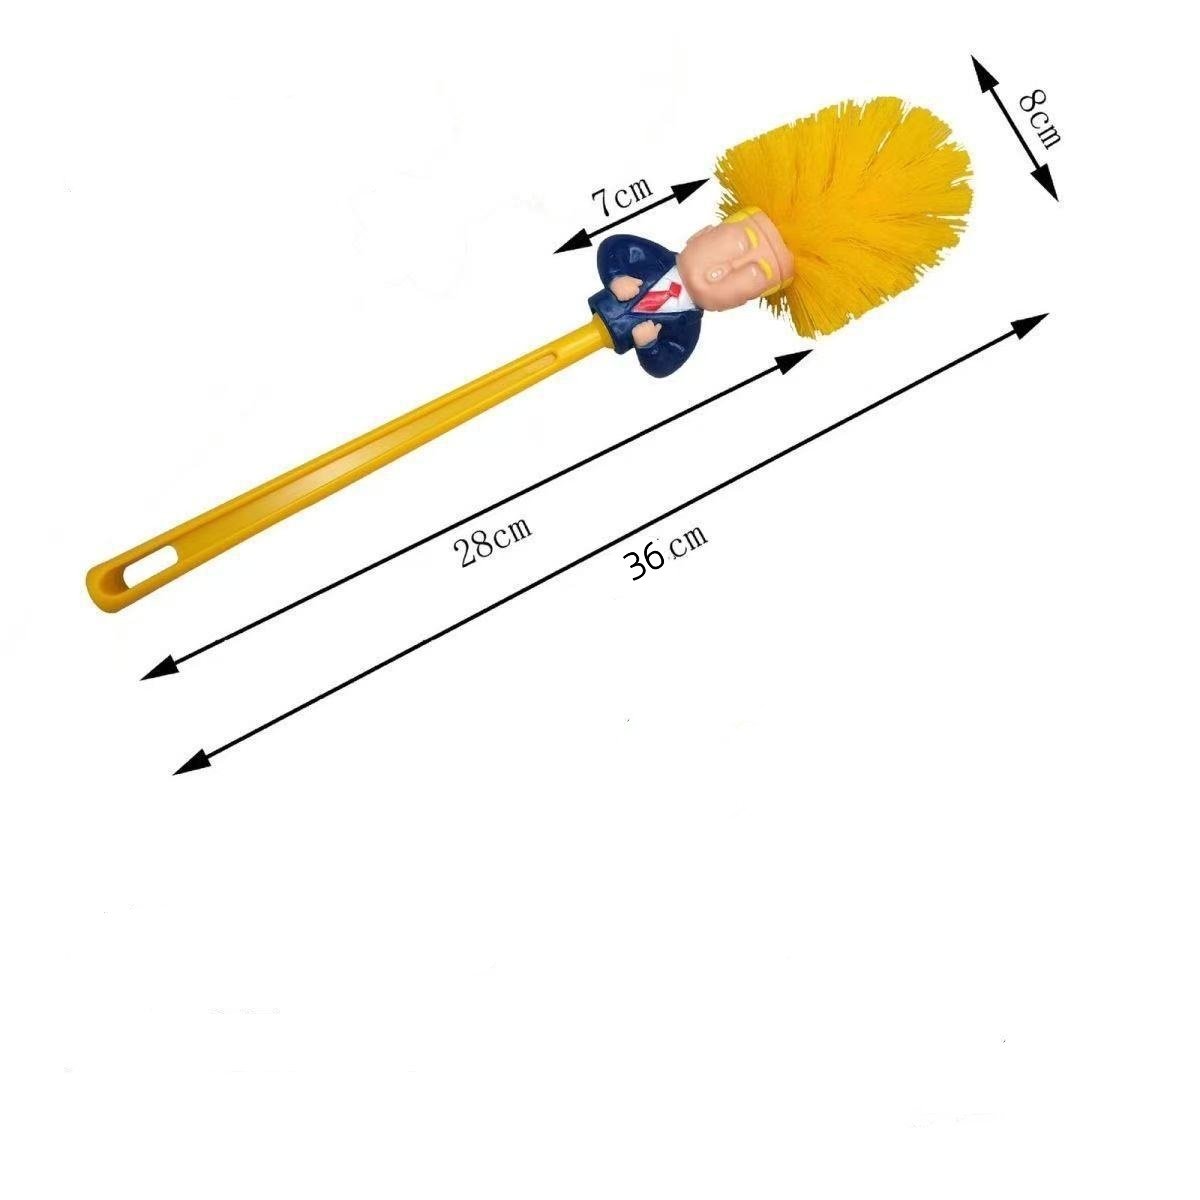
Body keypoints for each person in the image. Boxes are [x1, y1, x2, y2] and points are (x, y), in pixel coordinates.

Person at [587, 207, 795, 378]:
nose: (724, 270)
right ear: (701, 234)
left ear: (739, 303)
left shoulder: (686, 331)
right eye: (736, 247)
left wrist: (649, 346)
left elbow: (665, 364)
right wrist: (616, 277)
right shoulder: (650, 257)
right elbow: (614, 247)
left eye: (751, 276)